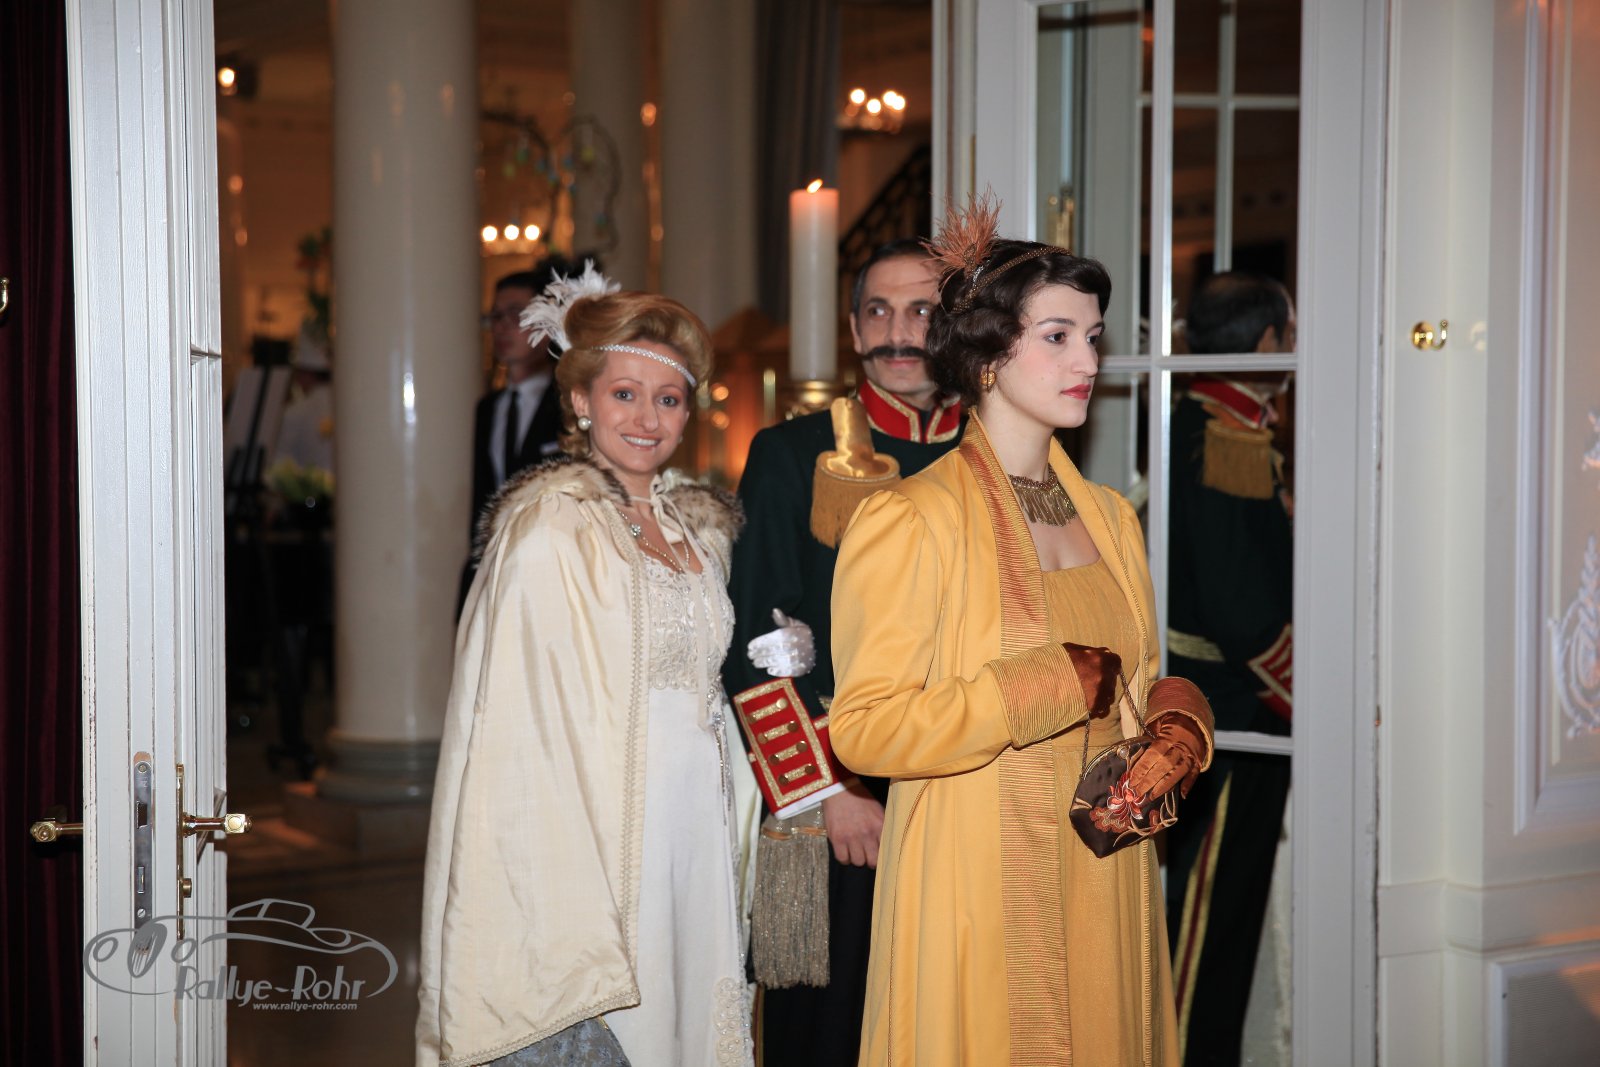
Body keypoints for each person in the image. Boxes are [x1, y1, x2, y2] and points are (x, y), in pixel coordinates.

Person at [828, 198, 1215, 1065]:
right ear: (989, 353)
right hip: (978, 881)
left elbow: (1137, 682)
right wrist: (1037, 686)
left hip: (1109, 868)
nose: (1089, 360)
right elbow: (864, 728)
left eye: (1094, 336)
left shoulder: (1111, 516)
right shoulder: (909, 519)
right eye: (1058, 336)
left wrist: (1180, 719)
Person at [418, 271, 755, 1067]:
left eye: (668, 399)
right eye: (624, 394)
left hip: (697, 834)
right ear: (580, 400)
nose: (647, 418)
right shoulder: (549, 529)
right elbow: (517, 727)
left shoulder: (696, 532)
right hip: (607, 836)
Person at [722, 238, 962, 1065]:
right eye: (878, 312)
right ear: (854, 330)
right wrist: (828, 789)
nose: (898, 332)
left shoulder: (997, 453)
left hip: (964, 790)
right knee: (828, 1036)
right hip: (844, 802)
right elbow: (752, 643)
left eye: (922, 311)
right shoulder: (790, 454)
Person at [1163, 271, 1296, 1065]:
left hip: (1229, 702)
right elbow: (1241, 609)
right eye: (1290, 333)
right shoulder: (1226, 436)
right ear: (1268, 342)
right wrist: (1308, 693)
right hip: (1235, 713)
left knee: (1220, 916)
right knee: (1209, 918)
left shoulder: (1210, 420)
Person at [457, 259, 579, 615]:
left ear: (549, 322)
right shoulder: (488, 408)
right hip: (492, 576)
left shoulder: (570, 404)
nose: (502, 327)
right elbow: (482, 501)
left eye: (516, 314)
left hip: (552, 577)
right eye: (495, 317)